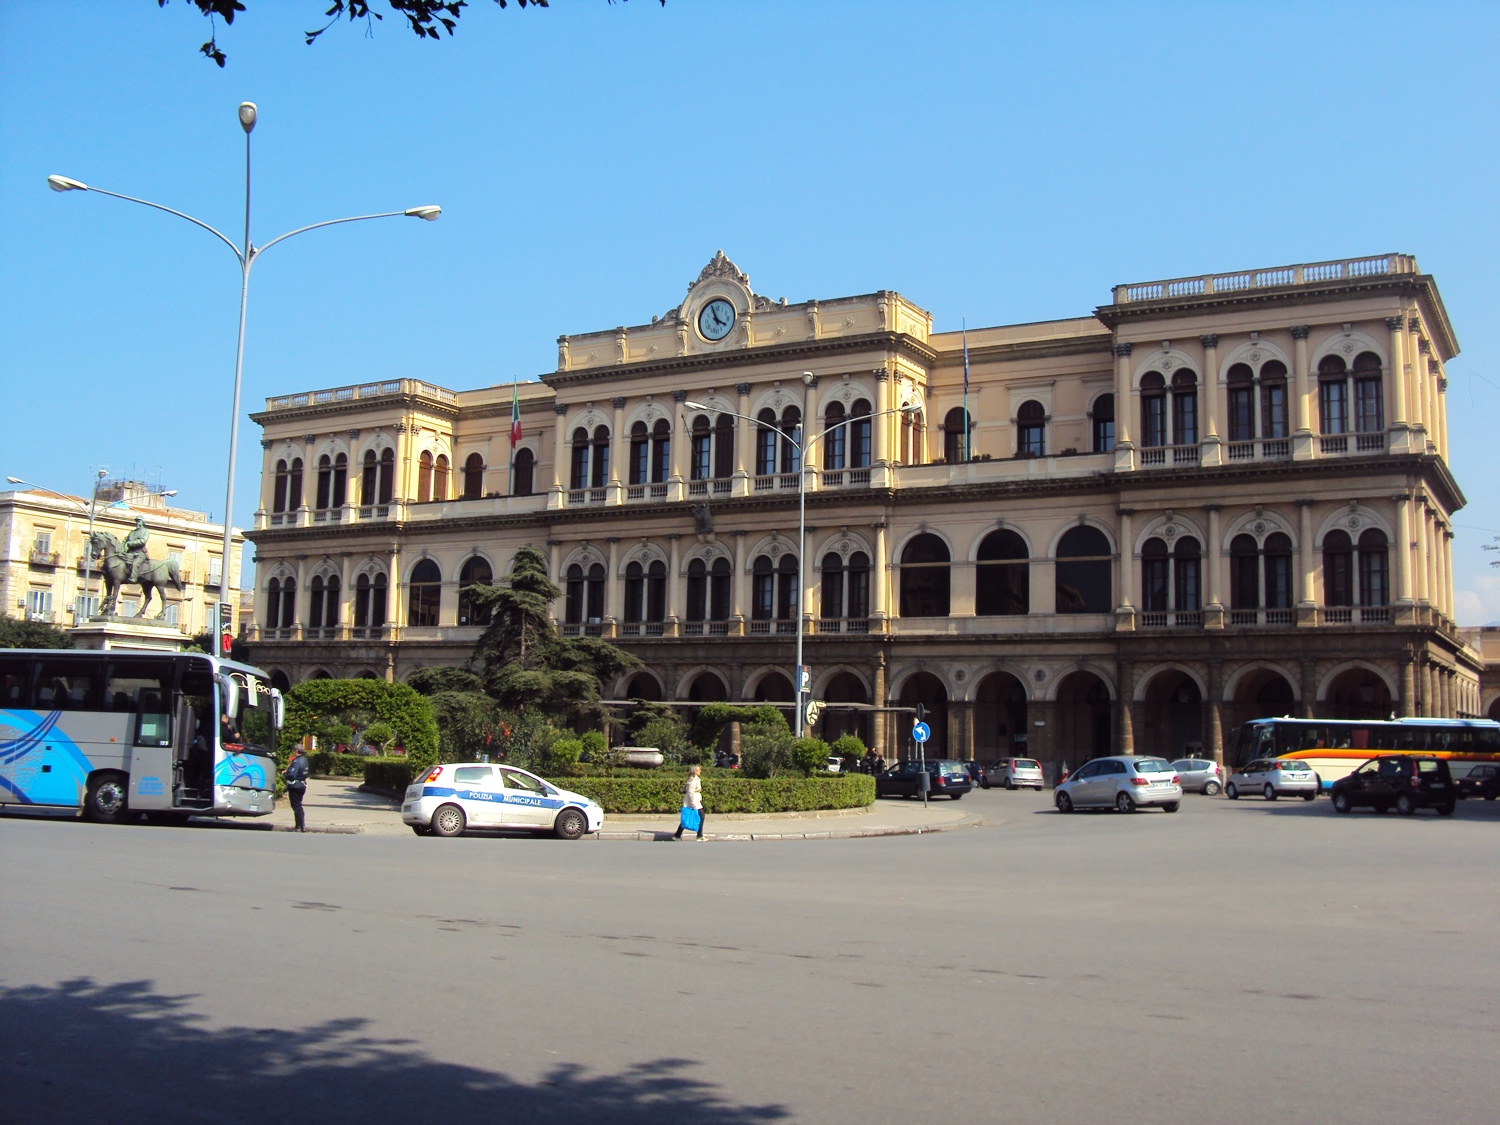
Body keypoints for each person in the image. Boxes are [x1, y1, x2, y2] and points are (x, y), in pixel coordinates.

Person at [673, 763, 705, 841]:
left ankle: (677, 835)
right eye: (698, 770)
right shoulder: (693, 780)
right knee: (701, 816)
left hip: (695, 801)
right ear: (694, 771)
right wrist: (692, 804)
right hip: (693, 802)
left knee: (687, 818)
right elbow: (690, 792)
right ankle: (699, 836)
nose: (700, 771)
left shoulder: (695, 778)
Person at [283, 745, 310, 832]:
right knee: (299, 805)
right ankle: (302, 825)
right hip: (302, 785)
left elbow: (292, 774)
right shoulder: (305, 760)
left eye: (294, 750)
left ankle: (299, 826)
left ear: (297, 751)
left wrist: (285, 774)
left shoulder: (297, 761)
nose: (293, 752)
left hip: (295, 786)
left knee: (296, 806)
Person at [122, 517, 151, 584]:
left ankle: (133, 578)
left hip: (140, 553)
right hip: (130, 553)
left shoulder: (145, 531)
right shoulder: (132, 533)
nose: (137, 523)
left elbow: (142, 541)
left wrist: (130, 543)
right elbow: (126, 541)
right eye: (137, 521)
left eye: (139, 521)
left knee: (135, 564)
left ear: (142, 523)